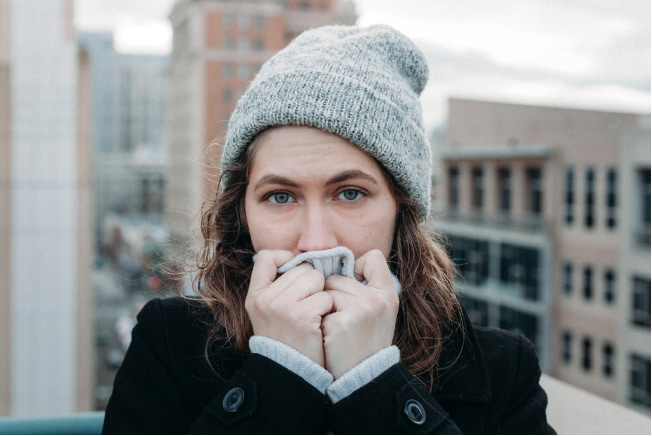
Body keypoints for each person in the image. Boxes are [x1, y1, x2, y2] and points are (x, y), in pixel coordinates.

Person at [102, 24, 555, 434]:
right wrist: (280, 375)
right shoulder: (169, 343)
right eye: (280, 197)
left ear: (403, 210)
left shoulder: (502, 369)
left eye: (350, 193)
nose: (316, 241)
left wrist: (375, 382)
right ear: (241, 213)